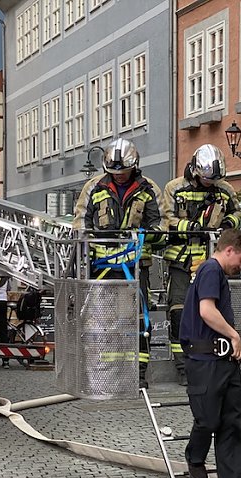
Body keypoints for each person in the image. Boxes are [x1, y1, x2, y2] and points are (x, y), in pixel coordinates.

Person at [74, 137, 164, 388]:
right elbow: (81, 222)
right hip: (102, 268)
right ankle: (102, 371)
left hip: (134, 269)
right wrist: (87, 249)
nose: (120, 176)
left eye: (123, 172)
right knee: (101, 320)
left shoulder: (149, 189)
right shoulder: (93, 187)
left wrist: (151, 234)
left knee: (135, 320)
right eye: (115, 172)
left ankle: (138, 373)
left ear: (133, 166)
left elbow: (160, 224)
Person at [179, 228, 241, 478]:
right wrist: (235, 336)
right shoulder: (211, 270)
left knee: (231, 425)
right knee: (209, 419)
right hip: (207, 359)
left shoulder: (215, 273)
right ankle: (195, 456)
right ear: (229, 250)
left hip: (222, 360)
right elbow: (207, 311)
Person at [161, 144, 241, 386]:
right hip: (182, 261)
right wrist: (190, 227)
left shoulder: (224, 190)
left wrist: (228, 222)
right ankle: (183, 367)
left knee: (214, 313)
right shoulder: (175, 188)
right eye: (207, 179)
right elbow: (167, 220)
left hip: (210, 263)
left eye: (214, 179)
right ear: (196, 170)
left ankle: (211, 360)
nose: (210, 183)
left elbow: (237, 211)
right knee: (179, 313)